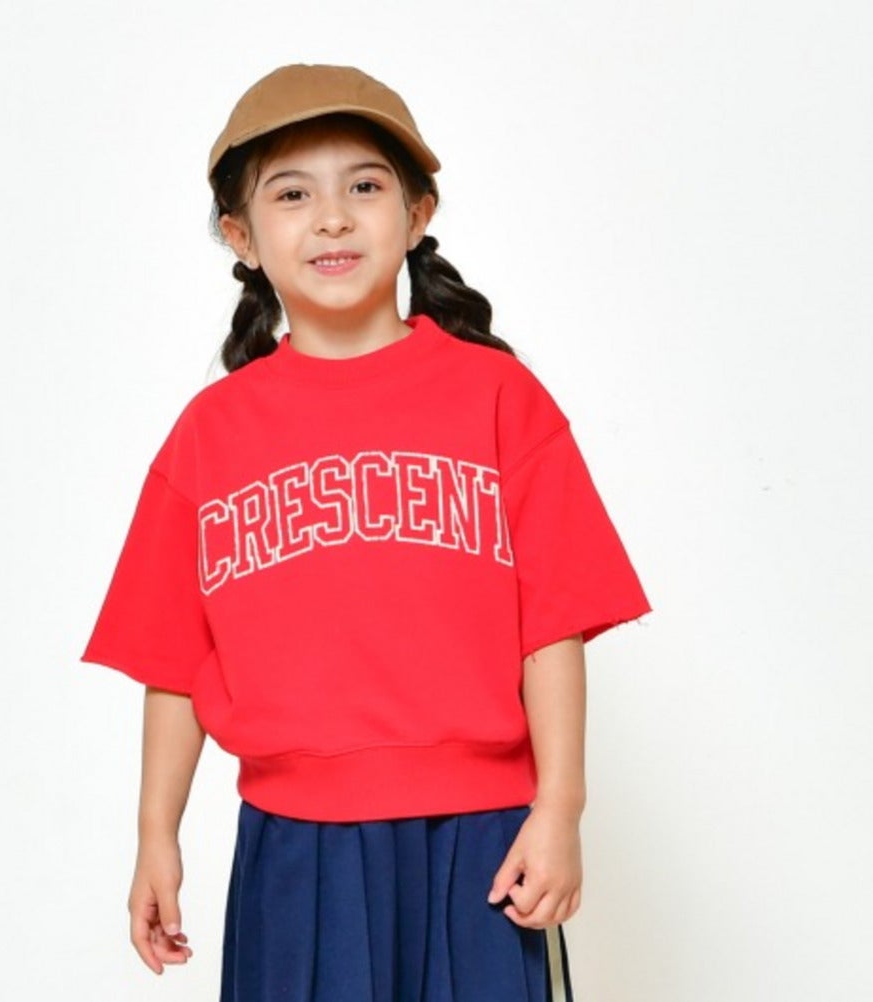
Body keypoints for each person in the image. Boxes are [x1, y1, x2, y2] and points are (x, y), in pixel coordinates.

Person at [79, 62, 652, 1002]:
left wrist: (560, 805)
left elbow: (553, 622)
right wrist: (156, 836)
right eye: (292, 194)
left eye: (365, 187)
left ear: (418, 214)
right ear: (241, 235)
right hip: (294, 847)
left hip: (482, 839)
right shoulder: (211, 435)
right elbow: (174, 660)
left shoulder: (499, 398)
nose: (333, 219)